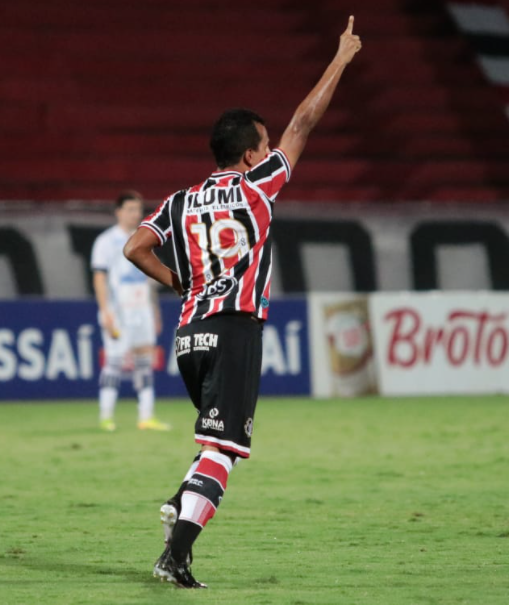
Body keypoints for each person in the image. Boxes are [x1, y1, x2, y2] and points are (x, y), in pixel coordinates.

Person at [123, 16, 362, 588]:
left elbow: (136, 247)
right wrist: (341, 59)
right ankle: (175, 554)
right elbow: (305, 121)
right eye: (265, 140)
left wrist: (176, 282)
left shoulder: (181, 201)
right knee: (225, 450)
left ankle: (180, 502)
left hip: (188, 336)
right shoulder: (258, 185)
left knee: (212, 439)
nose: (272, 145)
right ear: (253, 155)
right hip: (233, 329)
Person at [90, 190, 170, 432]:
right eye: (130, 209)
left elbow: (150, 278)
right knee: (114, 361)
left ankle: (146, 417)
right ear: (119, 212)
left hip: (142, 309)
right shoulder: (106, 241)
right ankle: (106, 417)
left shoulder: (143, 239)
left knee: (144, 361)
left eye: (138, 209)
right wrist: (105, 310)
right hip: (119, 310)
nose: (135, 214)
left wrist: (154, 310)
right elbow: (99, 277)